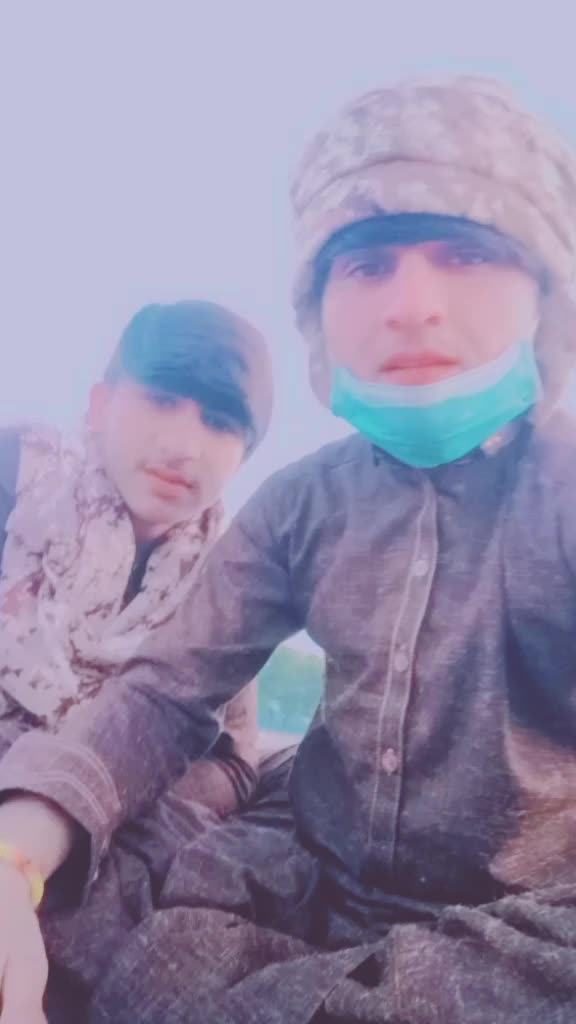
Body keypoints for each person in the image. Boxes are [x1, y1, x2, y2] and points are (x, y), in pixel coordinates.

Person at [1, 75, 576, 1024]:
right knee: (86, 906)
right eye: (367, 266)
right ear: (319, 310)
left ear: (546, 290)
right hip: (289, 876)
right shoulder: (301, 504)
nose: (413, 305)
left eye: (467, 253)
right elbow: (164, 693)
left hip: (522, 930)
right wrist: (17, 856)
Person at [0, 299, 274, 1023]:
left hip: (104, 822)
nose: (184, 445)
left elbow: (235, 762)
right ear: (100, 405)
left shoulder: (233, 580)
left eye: (220, 422)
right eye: (161, 400)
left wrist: (107, 788)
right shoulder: (17, 478)